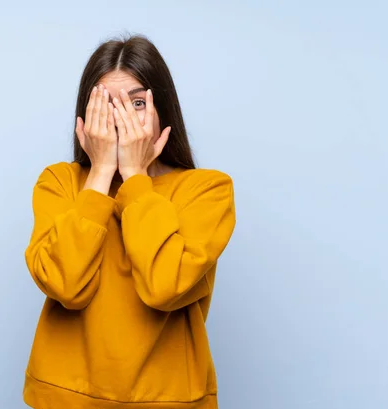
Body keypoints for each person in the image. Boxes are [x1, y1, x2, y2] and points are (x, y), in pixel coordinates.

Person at [23, 34, 236, 409]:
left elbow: (164, 287)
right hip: (64, 398)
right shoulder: (59, 182)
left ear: (163, 111)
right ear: (85, 116)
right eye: (105, 104)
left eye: (137, 103)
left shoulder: (208, 190)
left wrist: (136, 177)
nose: (121, 118)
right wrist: (102, 171)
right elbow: (66, 285)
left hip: (169, 400)